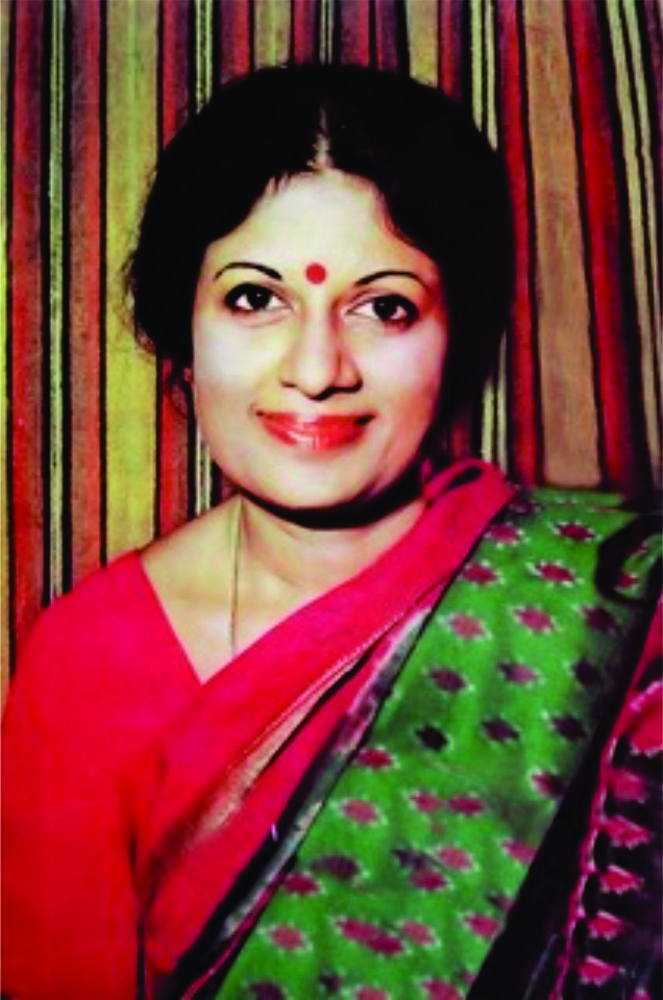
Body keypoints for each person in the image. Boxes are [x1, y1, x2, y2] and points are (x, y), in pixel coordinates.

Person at [2, 65, 660, 1000]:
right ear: (181, 329)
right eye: (253, 299)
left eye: (384, 306)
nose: (315, 370)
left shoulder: (606, 602)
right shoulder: (88, 658)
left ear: (457, 339)